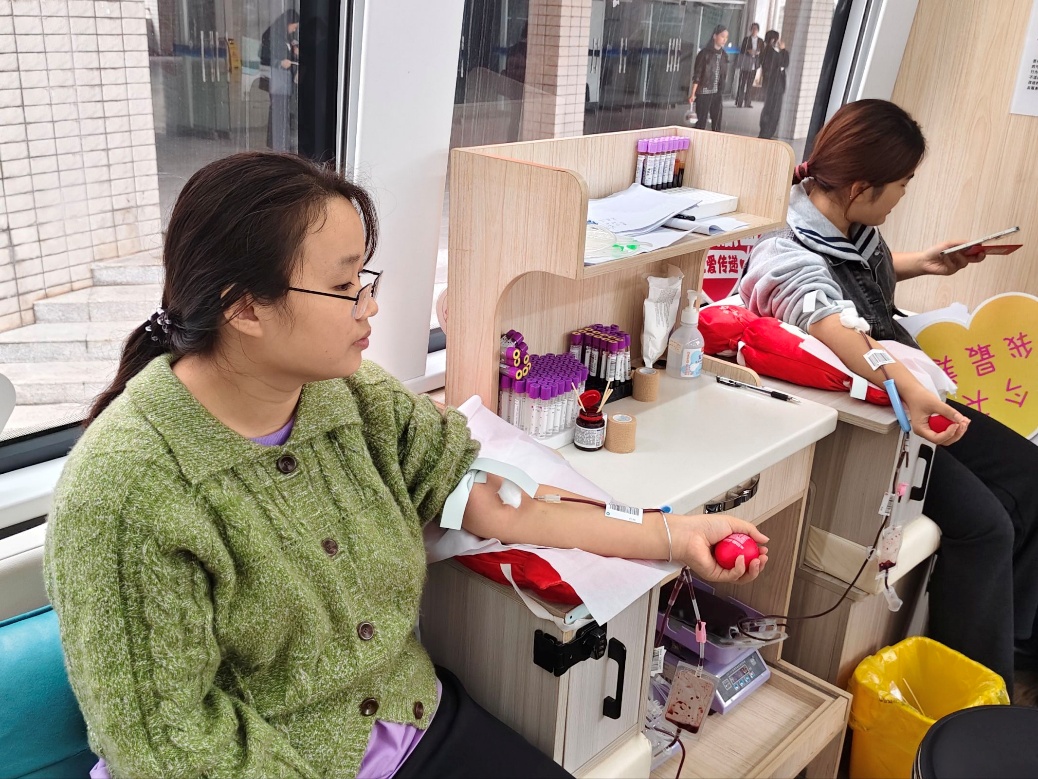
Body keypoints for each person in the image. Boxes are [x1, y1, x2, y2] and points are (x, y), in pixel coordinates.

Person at [45, 151, 771, 778]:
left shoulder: (354, 399)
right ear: (245, 309)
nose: (369, 306)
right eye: (343, 287)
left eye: (367, 276)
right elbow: (170, 749)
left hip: (413, 721)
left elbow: (497, 502)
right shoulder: (126, 493)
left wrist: (673, 536)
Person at [738, 99, 1038, 701]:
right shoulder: (784, 249)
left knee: (1030, 474)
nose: (903, 194)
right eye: (901, 184)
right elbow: (831, 320)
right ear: (860, 188)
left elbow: (862, 278)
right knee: (985, 526)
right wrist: (908, 389)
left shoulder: (849, 224)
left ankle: (1019, 647)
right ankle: (971, 701)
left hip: (908, 387)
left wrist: (926, 263)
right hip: (874, 414)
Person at [260, 9, 299, 151]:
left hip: (285, 81)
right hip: (277, 80)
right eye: (294, 26)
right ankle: (277, 143)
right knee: (278, 111)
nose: (295, 29)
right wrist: (279, 63)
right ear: (288, 23)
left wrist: (295, 51)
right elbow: (264, 57)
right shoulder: (272, 35)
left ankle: (281, 143)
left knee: (283, 111)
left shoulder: (286, 36)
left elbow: (286, 51)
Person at [688, 25, 729, 132]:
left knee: (717, 123)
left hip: (717, 93)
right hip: (704, 92)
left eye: (726, 37)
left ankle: (715, 141)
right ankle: (697, 139)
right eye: (722, 36)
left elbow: (723, 75)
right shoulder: (704, 54)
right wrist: (693, 93)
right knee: (701, 122)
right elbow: (697, 74)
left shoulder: (724, 55)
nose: (724, 39)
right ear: (715, 36)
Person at [757, 30, 788, 140]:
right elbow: (785, 62)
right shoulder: (771, 53)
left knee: (768, 108)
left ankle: (765, 132)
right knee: (773, 110)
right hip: (775, 86)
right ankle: (766, 133)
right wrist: (783, 50)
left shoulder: (765, 52)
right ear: (773, 40)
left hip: (770, 85)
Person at [734, 23, 763, 108]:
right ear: (751, 30)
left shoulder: (760, 41)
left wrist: (758, 53)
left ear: (758, 30)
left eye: (756, 29)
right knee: (742, 83)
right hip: (746, 63)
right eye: (753, 29)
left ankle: (747, 102)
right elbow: (742, 49)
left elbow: (762, 51)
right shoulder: (746, 39)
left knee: (750, 84)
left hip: (754, 64)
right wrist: (748, 51)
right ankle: (739, 102)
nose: (754, 30)